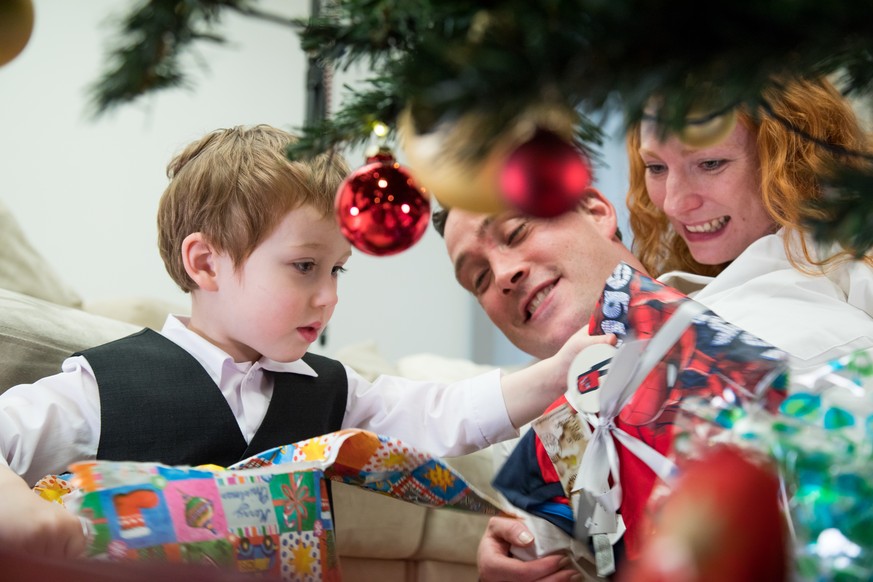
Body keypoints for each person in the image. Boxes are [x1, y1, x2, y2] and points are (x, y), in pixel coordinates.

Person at [0, 125, 614, 560]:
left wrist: (553, 374)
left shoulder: (332, 393)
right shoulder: (103, 387)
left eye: (337, 270)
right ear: (206, 264)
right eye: (303, 267)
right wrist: (18, 510)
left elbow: (438, 414)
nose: (328, 296)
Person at [434, 75, 873, 582]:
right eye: (479, 277)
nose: (675, 202)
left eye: (516, 231)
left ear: (597, 211)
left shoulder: (804, 283)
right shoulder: (541, 439)